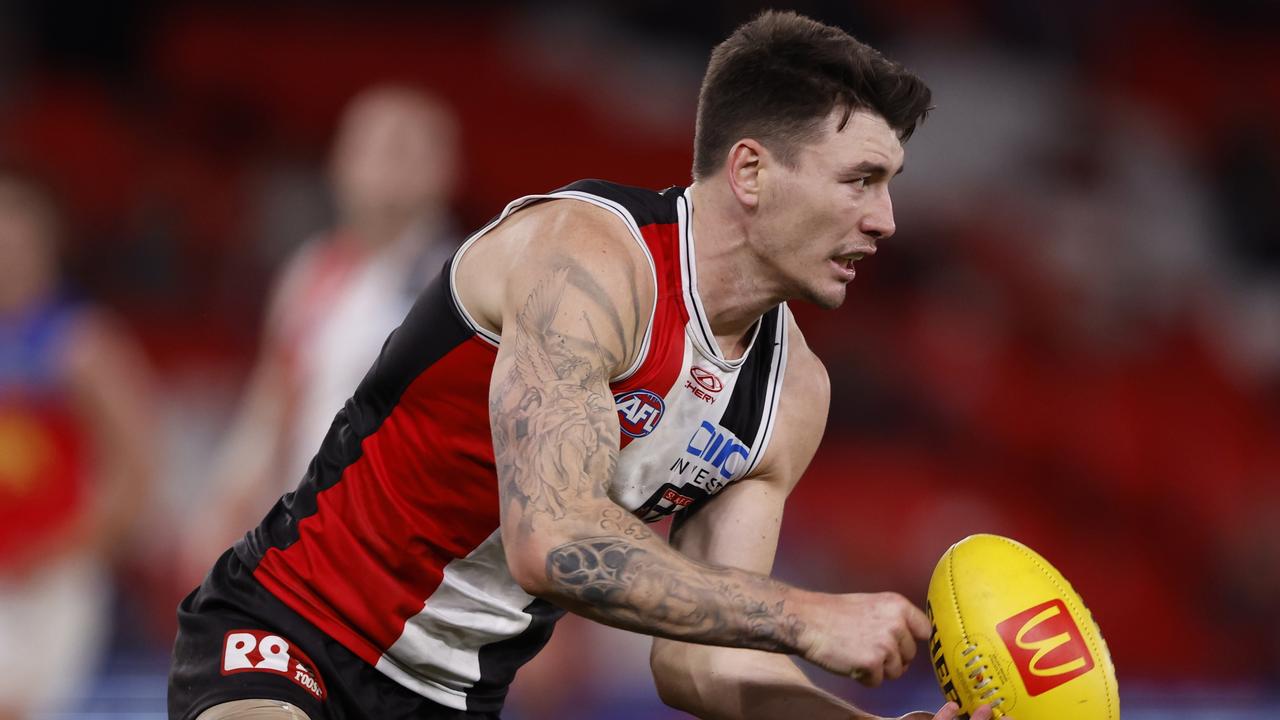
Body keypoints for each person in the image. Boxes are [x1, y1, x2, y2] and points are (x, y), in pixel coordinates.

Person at [169, 12, 999, 720]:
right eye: (860, 180)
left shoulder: (791, 395)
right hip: (288, 626)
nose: (885, 220)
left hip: (455, 698)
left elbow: (701, 664)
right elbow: (552, 541)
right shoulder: (588, 259)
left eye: (888, 186)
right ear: (750, 171)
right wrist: (803, 614)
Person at [181, 85, 461, 580]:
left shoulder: (464, 282)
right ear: (339, 163)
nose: (388, 165)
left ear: (446, 169)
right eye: (373, 146)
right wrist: (227, 500)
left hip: (417, 551)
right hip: (316, 540)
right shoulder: (311, 273)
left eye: (406, 148)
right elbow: (274, 399)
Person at [0, 169, 155, 718]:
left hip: (54, 579)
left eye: (20, 243)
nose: (8, 257)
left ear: (50, 245)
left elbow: (138, 474)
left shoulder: (84, 344)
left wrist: (65, 549)